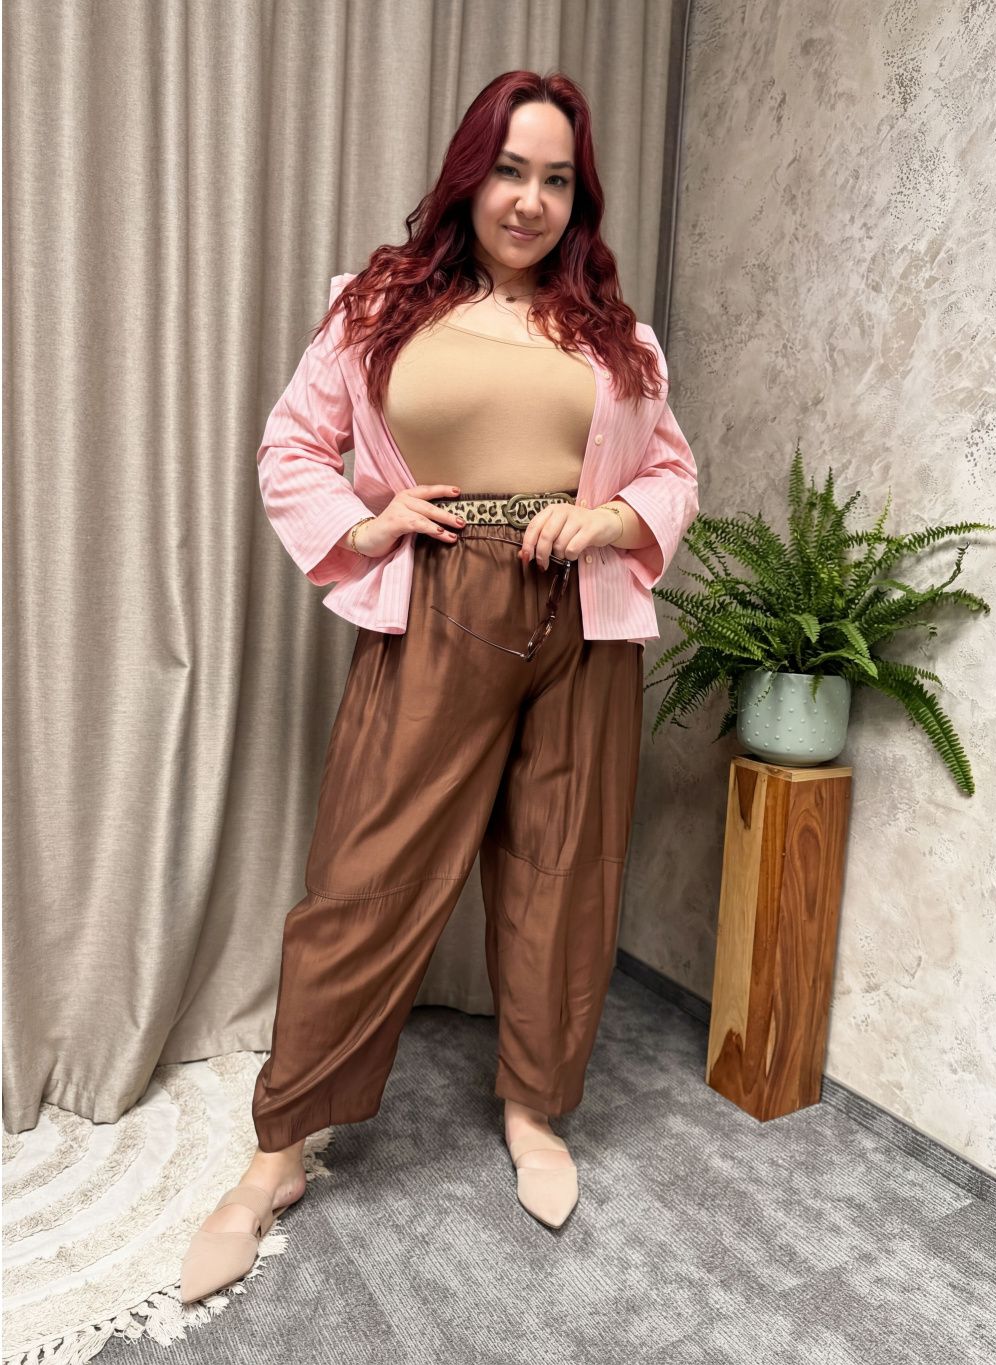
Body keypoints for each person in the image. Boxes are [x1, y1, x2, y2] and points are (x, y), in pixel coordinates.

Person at [180, 68, 698, 1304]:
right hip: (438, 604)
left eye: (556, 179)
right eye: (510, 170)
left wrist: (611, 517)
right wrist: (363, 527)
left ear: (579, 198)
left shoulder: (614, 338)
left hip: (582, 619)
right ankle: (277, 1154)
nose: (529, 200)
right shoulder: (377, 308)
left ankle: (534, 1110)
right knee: (367, 875)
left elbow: (671, 472)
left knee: (563, 873)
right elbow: (292, 447)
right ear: (470, 174)